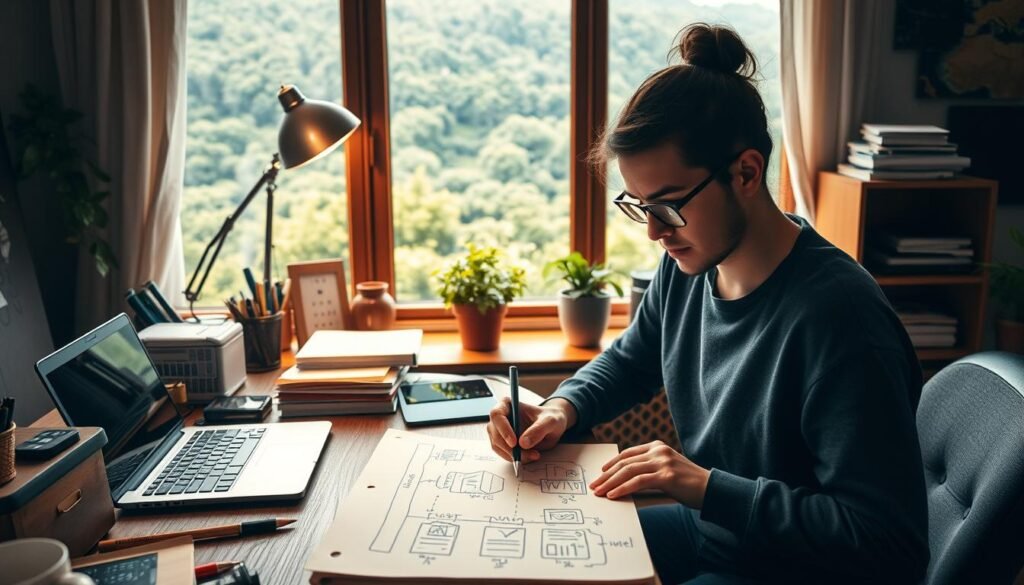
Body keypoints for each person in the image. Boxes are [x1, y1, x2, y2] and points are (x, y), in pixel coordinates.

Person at [486, 23, 929, 585]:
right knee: (534, 559)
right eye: (638, 206)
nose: (653, 232)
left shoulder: (840, 319)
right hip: (717, 536)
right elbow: (630, 362)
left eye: (668, 206)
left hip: (790, 570)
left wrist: (703, 485)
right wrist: (560, 408)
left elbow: (888, 543)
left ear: (746, 172)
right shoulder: (688, 266)